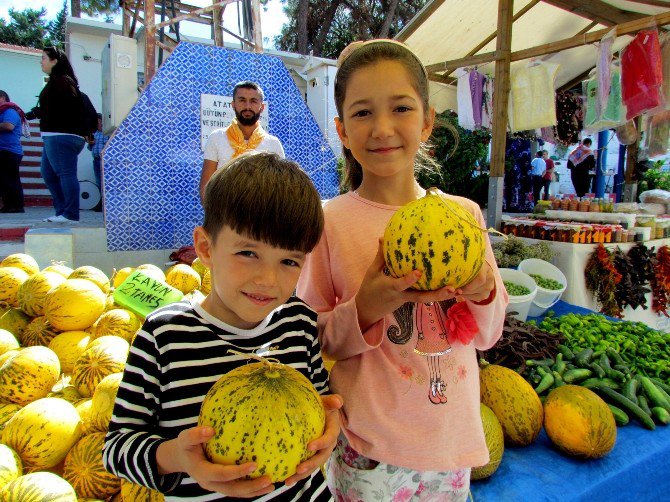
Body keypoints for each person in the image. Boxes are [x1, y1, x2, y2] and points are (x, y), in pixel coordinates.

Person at [296, 40, 508, 501]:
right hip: (367, 450)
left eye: (401, 108)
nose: (383, 128)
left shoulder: (464, 216)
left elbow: (488, 335)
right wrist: (366, 308)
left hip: (450, 448)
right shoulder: (329, 221)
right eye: (362, 113)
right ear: (342, 131)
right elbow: (312, 336)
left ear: (428, 121)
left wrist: (484, 291)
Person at [103, 152, 341, 501]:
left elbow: (320, 401)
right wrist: (174, 456)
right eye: (248, 253)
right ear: (205, 248)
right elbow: (116, 450)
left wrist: (330, 429)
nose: (268, 279)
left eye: (289, 261)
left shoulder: (299, 322)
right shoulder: (165, 337)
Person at [25, 47, 87, 224]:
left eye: (44, 58)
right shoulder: (60, 81)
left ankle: (70, 214)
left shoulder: (62, 81)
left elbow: (64, 108)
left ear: (55, 61)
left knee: (65, 173)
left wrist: (41, 113)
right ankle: (62, 211)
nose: (41, 61)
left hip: (61, 135)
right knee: (48, 173)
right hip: (55, 135)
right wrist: (33, 114)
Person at [199, 81, 284, 201]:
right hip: (224, 215)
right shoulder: (217, 138)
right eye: (242, 100)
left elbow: (280, 188)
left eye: (253, 101)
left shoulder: (273, 144)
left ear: (262, 107)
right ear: (233, 104)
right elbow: (205, 188)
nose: (248, 106)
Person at [0, 90, 28, 213]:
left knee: (10, 179)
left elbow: (8, 126)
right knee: (5, 179)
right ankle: (9, 205)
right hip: (5, 150)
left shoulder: (10, 111)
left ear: (2, 98)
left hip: (9, 150)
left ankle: (16, 206)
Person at [87, 113, 109, 212]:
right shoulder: (95, 133)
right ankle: (101, 203)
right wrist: (90, 143)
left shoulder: (108, 133)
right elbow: (90, 148)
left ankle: (105, 204)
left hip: (105, 161)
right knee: (99, 183)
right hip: (96, 161)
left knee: (105, 183)